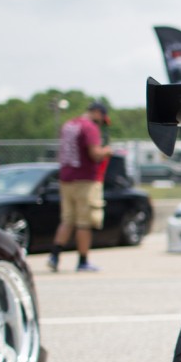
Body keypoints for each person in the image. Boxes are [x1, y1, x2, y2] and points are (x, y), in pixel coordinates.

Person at [48, 101, 112, 272]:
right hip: (85, 180)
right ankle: (83, 260)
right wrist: (106, 151)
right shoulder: (90, 127)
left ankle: (55, 255)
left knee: (67, 220)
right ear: (97, 112)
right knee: (84, 222)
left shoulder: (69, 124)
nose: (101, 123)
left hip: (66, 178)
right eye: (102, 118)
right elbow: (95, 154)